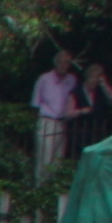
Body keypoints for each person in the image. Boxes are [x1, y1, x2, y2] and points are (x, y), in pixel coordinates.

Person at [32, 48, 85, 178]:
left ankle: (53, 190)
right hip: (47, 120)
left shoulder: (72, 80)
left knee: (58, 159)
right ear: (55, 63)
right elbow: (35, 103)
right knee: (45, 158)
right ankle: (40, 190)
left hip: (63, 122)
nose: (63, 65)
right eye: (60, 62)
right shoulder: (44, 79)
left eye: (66, 63)